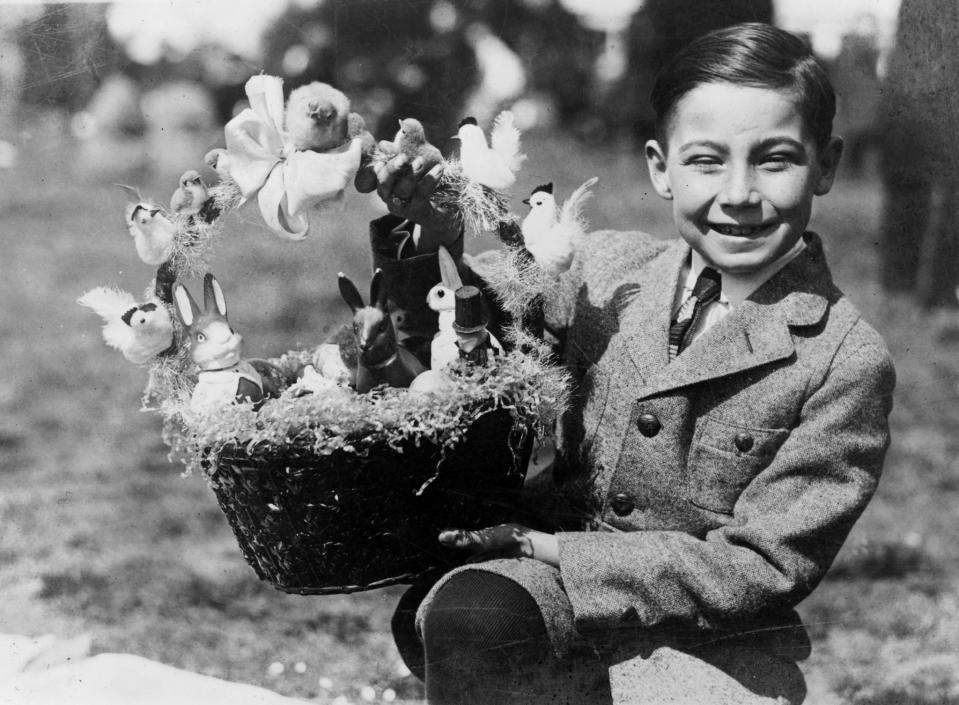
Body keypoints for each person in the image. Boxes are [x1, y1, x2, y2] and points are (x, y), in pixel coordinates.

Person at [367, 23, 895, 704]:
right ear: (659, 167)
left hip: (707, 647)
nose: (738, 192)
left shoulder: (843, 357)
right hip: (547, 603)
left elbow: (759, 564)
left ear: (826, 165)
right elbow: (469, 332)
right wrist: (432, 240)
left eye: (775, 159)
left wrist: (543, 547)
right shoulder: (603, 267)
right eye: (705, 160)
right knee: (474, 614)